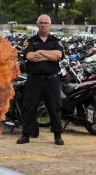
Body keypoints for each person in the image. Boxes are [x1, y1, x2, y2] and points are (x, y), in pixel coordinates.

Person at [17, 14, 65, 145]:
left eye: (46, 23)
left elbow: (58, 55)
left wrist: (40, 52)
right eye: (41, 22)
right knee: (29, 107)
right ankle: (26, 135)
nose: (43, 25)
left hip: (52, 80)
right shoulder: (31, 41)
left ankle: (57, 135)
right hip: (34, 80)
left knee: (54, 108)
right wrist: (49, 55)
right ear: (37, 25)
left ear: (50, 25)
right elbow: (30, 57)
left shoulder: (55, 41)